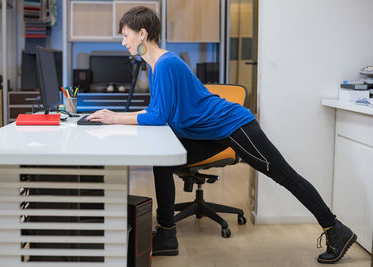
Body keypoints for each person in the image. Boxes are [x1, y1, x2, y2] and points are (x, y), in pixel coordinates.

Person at [86, 6, 356, 264]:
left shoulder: (166, 64)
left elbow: (158, 117)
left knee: (285, 175)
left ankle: (335, 229)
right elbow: (158, 110)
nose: (123, 42)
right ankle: (167, 235)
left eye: (125, 35)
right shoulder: (155, 65)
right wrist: (120, 119)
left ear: (142, 33)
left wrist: (114, 117)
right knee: (163, 162)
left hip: (234, 126)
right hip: (206, 132)